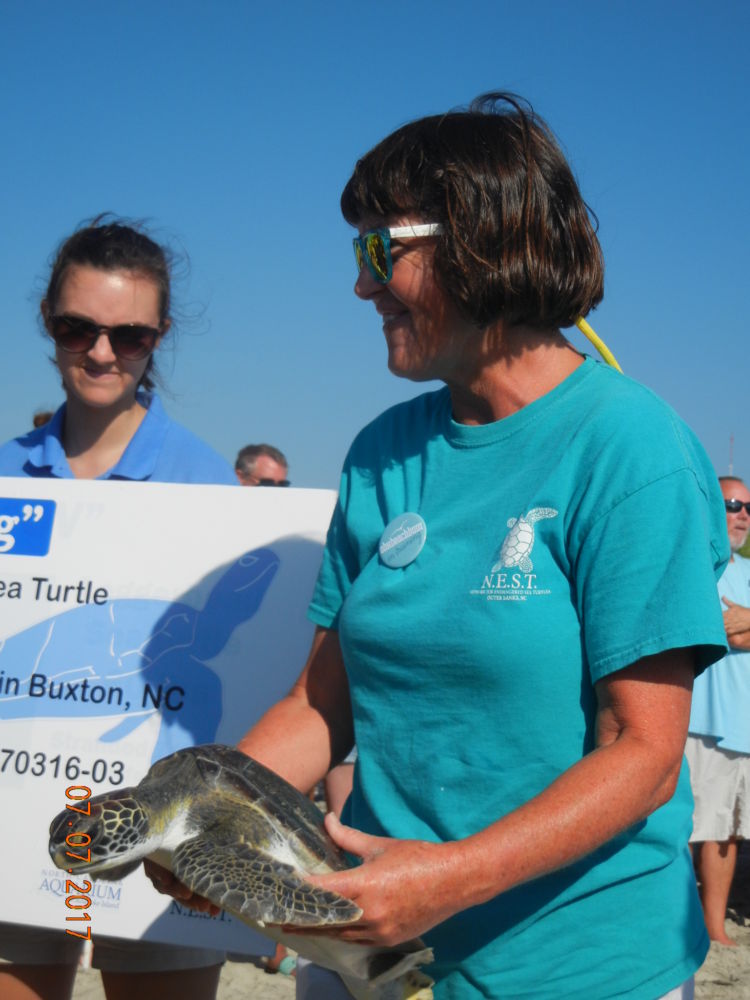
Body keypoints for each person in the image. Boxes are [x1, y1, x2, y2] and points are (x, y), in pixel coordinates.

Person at [149, 94, 728, 999]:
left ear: (482, 239)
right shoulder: (383, 452)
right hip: (363, 958)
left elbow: (642, 752)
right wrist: (206, 820)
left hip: (576, 968)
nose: (360, 286)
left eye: (380, 250)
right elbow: (319, 702)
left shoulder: (632, 449)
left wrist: (448, 882)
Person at [0, 216, 236, 1000]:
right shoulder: (4, 479)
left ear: (158, 337)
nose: (101, 353)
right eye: (77, 328)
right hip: (15, 813)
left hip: (163, 832)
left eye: (128, 336)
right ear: (48, 324)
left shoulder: (211, 490)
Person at [686, 475, 750, 946]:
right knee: (691, 829)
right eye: (732, 504)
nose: (743, 514)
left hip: (742, 724)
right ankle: (688, 928)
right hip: (704, 721)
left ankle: (714, 927)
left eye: (749, 507)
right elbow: (721, 630)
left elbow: (741, 628)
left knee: (727, 832)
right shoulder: (695, 564)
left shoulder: (746, 574)